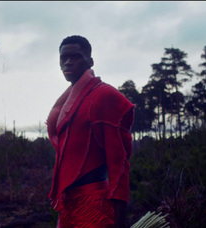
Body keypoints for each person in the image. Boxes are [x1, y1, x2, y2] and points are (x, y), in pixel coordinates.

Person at [46, 35, 136, 228]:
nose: (68, 62)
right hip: (68, 203)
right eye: (64, 58)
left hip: (94, 203)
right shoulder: (66, 103)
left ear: (90, 61)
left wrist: (119, 221)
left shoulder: (104, 96)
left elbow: (118, 164)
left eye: (76, 56)